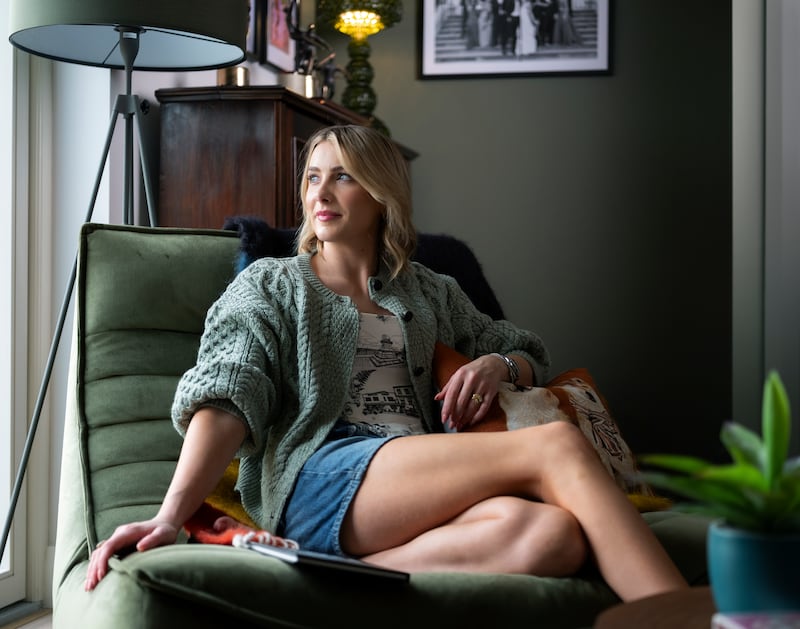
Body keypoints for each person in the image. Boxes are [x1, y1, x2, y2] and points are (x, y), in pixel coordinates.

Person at [85, 124, 688, 602]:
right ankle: (684, 618)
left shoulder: (428, 291)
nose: (319, 193)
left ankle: (323, 574)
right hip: (321, 474)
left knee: (552, 538)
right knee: (556, 445)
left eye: (342, 177)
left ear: (381, 194)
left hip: (410, 482)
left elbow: (528, 350)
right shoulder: (271, 286)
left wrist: (497, 365)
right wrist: (170, 515)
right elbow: (227, 394)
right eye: (313, 177)